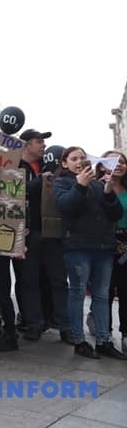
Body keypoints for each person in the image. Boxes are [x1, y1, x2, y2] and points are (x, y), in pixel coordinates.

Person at [52, 146, 126, 359]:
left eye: (82, 158)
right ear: (65, 163)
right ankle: (79, 340)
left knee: (102, 295)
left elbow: (115, 214)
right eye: (74, 158)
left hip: (103, 247)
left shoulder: (98, 183)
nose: (79, 162)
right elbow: (67, 207)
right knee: (77, 293)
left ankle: (103, 340)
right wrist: (80, 185)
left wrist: (108, 192)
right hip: (78, 247)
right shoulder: (63, 182)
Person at [14, 129, 72, 344]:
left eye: (44, 142)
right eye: (38, 141)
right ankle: (33, 324)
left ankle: (65, 325)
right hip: (26, 233)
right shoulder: (15, 166)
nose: (43, 145)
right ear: (26, 144)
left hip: (53, 232)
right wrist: (40, 181)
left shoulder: (52, 166)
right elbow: (13, 191)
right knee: (28, 280)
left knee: (58, 280)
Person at [99, 150, 127, 350]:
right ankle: (104, 333)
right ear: (101, 166)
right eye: (113, 161)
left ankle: (125, 333)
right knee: (104, 291)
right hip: (103, 243)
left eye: (122, 161)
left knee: (125, 290)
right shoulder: (95, 186)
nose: (119, 164)